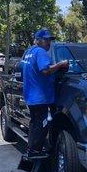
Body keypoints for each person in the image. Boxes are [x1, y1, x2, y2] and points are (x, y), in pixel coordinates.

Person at [22, 28, 69, 158]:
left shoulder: (29, 52)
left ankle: (31, 149)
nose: (48, 42)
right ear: (38, 40)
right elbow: (45, 70)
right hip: (40, 97)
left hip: (31, 96)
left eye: (49, 40)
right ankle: (35, 151)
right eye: (46, 40)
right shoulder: (40, 52)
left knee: (34, 123)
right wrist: (60, 64)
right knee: (42, 124)